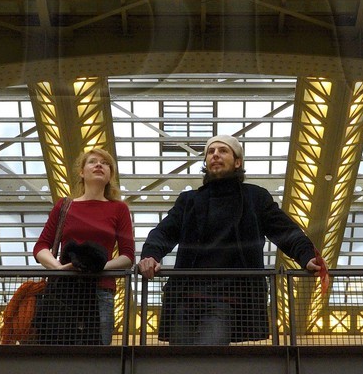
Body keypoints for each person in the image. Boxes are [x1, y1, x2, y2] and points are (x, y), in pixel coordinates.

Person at [138, 135, 324, 346]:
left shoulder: (256, 198)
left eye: (223, 150)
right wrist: (150, 255)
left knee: (208, 354)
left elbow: (286, 232)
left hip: (226, 299)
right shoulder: (189, 201)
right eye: (210, 151)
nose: (215, 154)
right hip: (186, 299)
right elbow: (163, 232)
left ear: (238, 162)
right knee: (180, 364)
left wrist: (307, 255)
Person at [32, 146, 134, 345]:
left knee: (96, 358)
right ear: (81, 171)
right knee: (60, 353)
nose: (99, 165)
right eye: (93, 161)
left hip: (100, 290)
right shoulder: (65, 205)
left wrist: (95, 268)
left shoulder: (118, 208)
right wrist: (60, 268)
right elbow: (41, 246)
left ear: (110, 175)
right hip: (64, 292)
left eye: (105, 164)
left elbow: (128, 256)